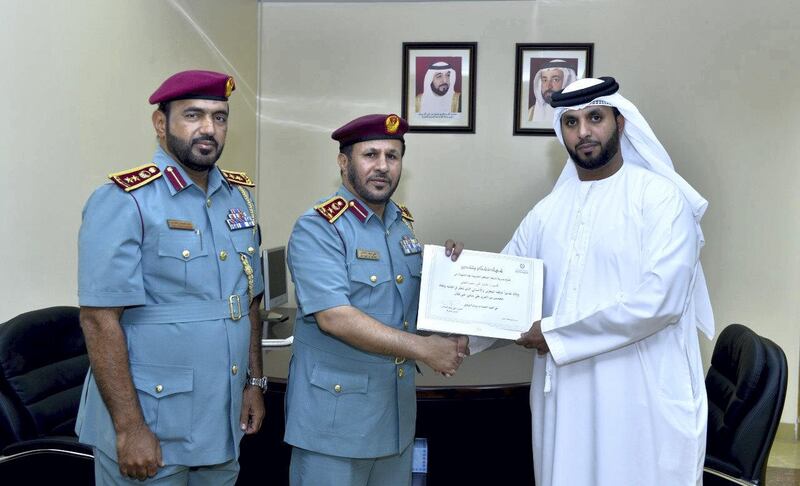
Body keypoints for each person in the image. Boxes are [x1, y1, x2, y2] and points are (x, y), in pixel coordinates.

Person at [505, 77, 714, 485]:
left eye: (595, 118)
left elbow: (661, 301)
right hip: (566, 399)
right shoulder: (548, 212)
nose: (582, 132)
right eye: (570, 122)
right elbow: (506, 287)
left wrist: (554, 332)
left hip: (639, 397)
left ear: (620, 123)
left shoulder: (659, 198)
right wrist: (453, 305)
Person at [76, 70, 267, 485]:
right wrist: (130, 428)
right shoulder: (125, 200)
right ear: (161, 124)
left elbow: (247, 299)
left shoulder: (239, 198)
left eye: (220, 117)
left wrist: (254, 382)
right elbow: (98, 319)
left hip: (220, 419)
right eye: (193, 115)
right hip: (153, 423)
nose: (209, 128)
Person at [285, 113, 468, 486]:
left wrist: (453, 276)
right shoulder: (319, 227)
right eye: (370, 155)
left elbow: (408, 310)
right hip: (334, 427)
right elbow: (335, 317)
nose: (383, 166)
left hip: (393, 421)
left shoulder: (401, 225)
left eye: (393, 155)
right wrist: (425, 350)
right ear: (344, 162)